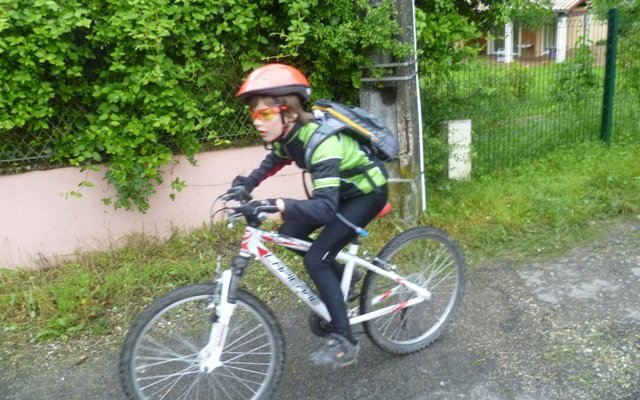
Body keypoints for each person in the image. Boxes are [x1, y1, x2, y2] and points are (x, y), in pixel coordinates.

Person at [231, 63, 389, 368]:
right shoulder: (291, 136)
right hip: (340, 193)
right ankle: (347, 278)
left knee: (317, 258)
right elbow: (275, 159)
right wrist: (246, 184)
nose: (257, 122)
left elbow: (326, 209)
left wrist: (276, 203)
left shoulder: (322, 142)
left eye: (264, 113)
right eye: (254, 114)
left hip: (365, 194)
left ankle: (346, 339)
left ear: (288, 111)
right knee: (289, 235)